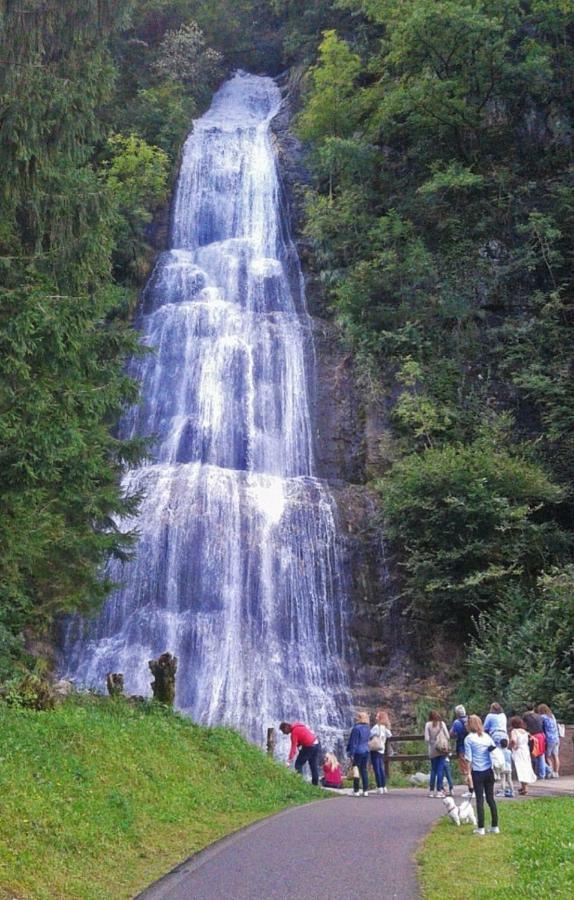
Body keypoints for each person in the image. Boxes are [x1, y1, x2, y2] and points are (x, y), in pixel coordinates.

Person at [464, 714, 499, 836]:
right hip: (489, 771)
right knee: (490, 799)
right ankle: (495, 826)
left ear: (470, 725)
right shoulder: (487, 737)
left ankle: (481, 828)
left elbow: (468, 758)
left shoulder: (469, 739)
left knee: (480, 800)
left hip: (477, 771)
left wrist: (468, 774)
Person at [279, 721, 321, 786]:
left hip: (309, 747)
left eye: (283, 731)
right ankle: (315, 785)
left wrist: (289, 761)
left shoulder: (294, 733)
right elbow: (303, 736)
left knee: (298, 765)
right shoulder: (298, 725)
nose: (284, 733)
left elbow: (293, 748)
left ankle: (300, 784)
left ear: (286, 728)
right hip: (316, 744)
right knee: (313, 765)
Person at [424, 710, 450, 799]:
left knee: (433, 770)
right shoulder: (442, 724)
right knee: (440, 770)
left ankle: (431, 791)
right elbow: (448, 736)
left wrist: (433, 740)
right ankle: (439, 791)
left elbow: (427, 738)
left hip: (432, 750)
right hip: (442, 749)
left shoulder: (428, 725)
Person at [509, 716, 537, 795]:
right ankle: (524, 787)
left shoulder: (514, 731)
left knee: (520, 768)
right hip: (525, 750)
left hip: (519, 751)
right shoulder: (525, 732)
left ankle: (525, 788)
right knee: (526, 767)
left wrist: (513, 746)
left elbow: (513, 740)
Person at [347, 711, 371, 797]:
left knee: (356, 769)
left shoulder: (356, 729)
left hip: (358, 751)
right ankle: (365, 790)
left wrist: (351, 753)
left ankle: (356, 790)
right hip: (366, 751)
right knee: (364, 770)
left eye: (357, 717)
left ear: (359, 718)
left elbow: (354, 742)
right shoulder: (368, 728)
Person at [450, 704, 472, 795]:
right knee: (473, 768)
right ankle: (476, 789)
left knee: (465, 770)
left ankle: (470, 789)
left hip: (462, 747)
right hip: (472, 746)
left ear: (457, 713)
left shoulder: (457, 723)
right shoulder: (470, 720)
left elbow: (451, 734)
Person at [369, 709, 392, 795]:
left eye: (377, 716)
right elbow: (390, 735)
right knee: (381, 768)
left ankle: (379, 787)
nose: (376, 717)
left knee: (376, 768)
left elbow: (369, 734)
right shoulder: (384, 728)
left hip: (375, 749)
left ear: (380, 718)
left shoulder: (376, 727)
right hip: (381, 750)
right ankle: (384, 786)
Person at [537, 703, 560, 778]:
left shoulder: (543, 717)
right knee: (555, 756)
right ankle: (556, 773)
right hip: (556, 738)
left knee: (547, 757)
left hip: (549, 739)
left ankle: (550, 772)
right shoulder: (552, 716)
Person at [523, 709, 547, 779]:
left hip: (534, 737)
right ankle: (543, 774)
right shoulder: (539, 716)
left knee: (534, 756)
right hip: (541, 736)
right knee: (541, 755)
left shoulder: (526, 717)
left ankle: (537, 773)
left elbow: (525, 727)